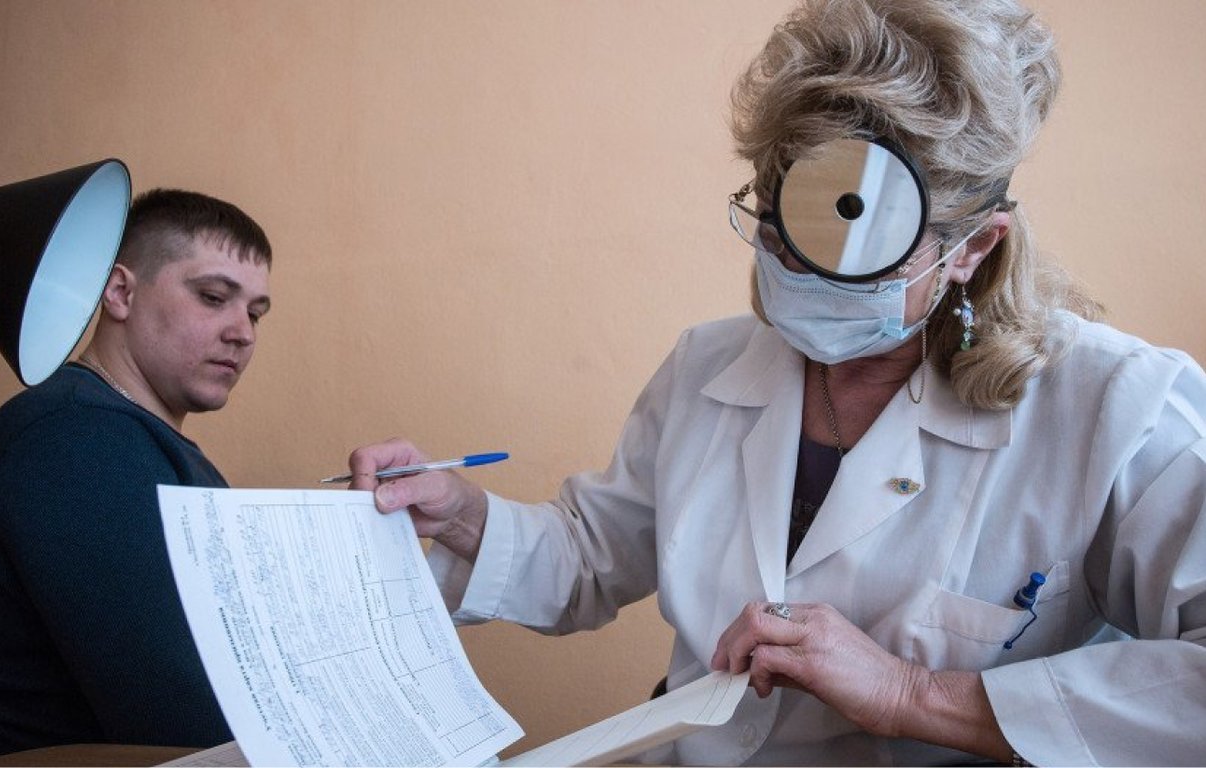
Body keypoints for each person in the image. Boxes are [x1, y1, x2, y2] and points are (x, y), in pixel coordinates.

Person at [346, 0, 1206, 765]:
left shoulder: (1118, 409)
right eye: (780, 221)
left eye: (857, 239)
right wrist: (467, 519)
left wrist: (914, 694)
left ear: (971, 247)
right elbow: (592, 556)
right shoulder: (707, 367)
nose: (800, 268)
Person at [0, 188, 272, 757]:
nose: (243, 332)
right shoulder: (71, 441)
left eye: (255, 313)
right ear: (120, 292)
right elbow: (185, 719)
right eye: (214, 297)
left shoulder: (137, 441)